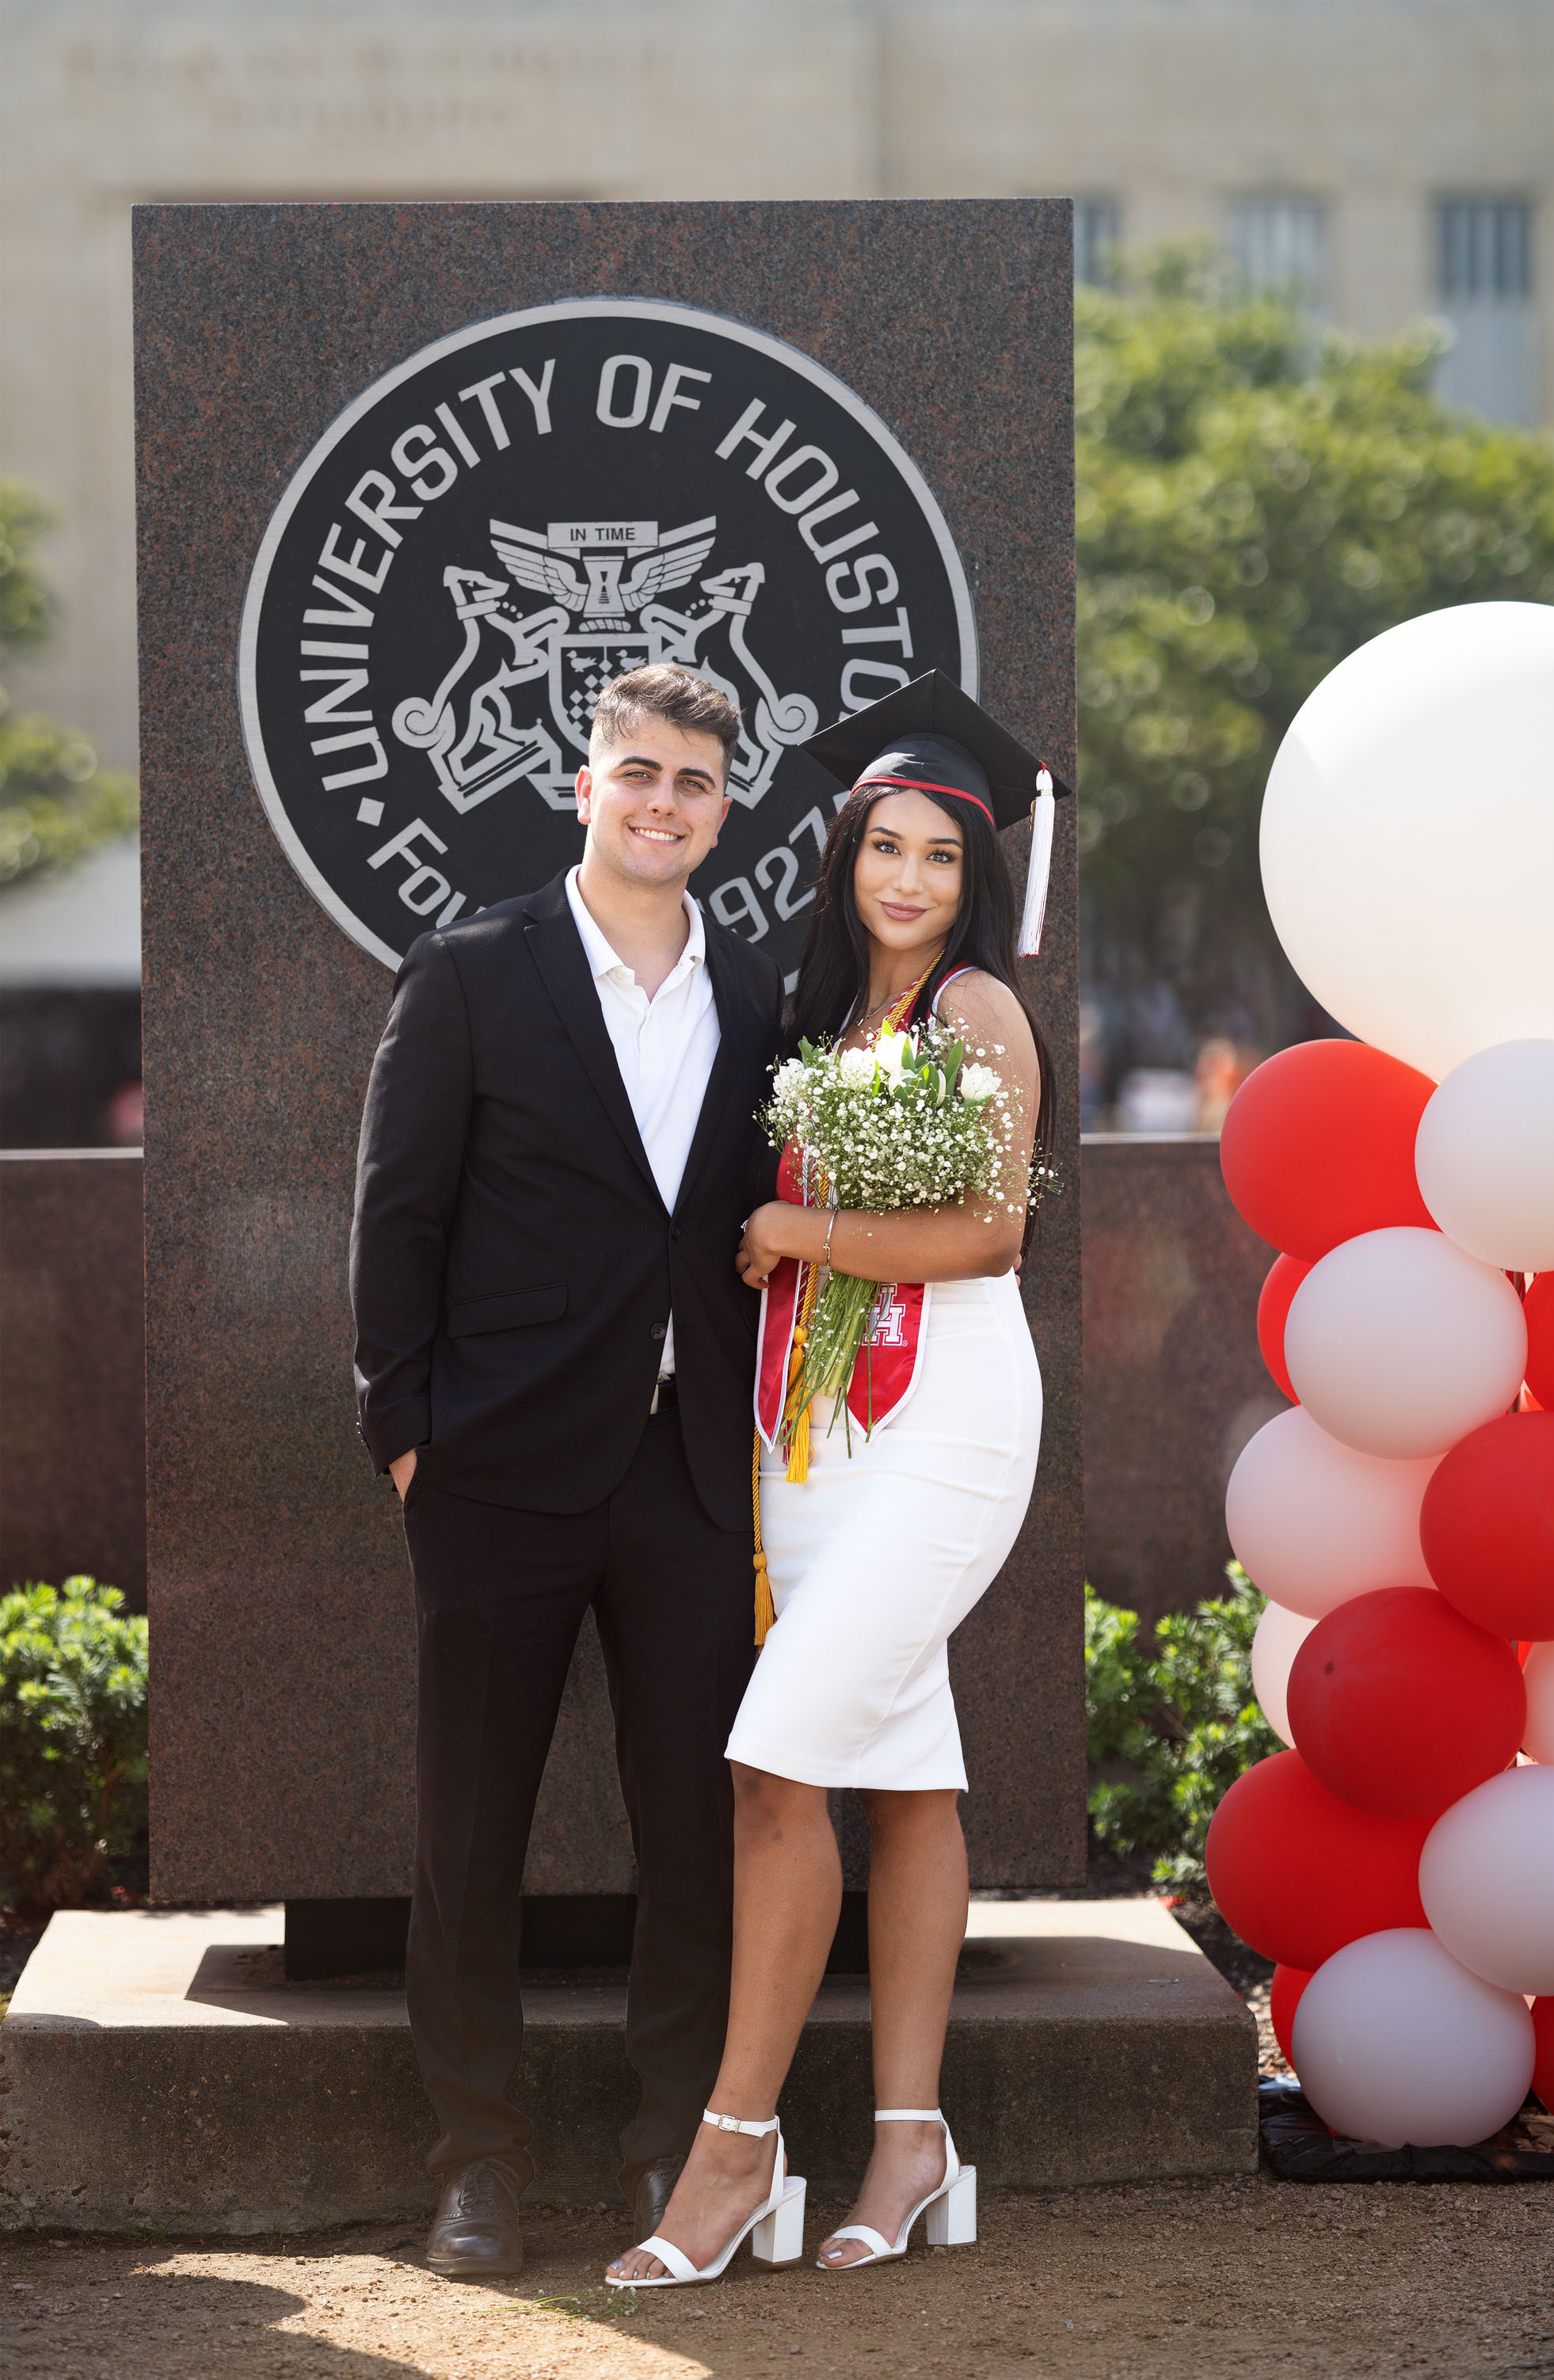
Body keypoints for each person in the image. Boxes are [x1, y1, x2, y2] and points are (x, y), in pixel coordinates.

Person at [608, 672, 1066, 2288]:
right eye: (887, 848)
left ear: (976, 879)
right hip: (816, 1436)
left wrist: (800, 1230)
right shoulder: (824, 1023)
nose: (910, 883)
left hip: (944, 1425)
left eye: (942, 858)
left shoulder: (976, 1015)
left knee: (771, 1765)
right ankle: (908, 2135)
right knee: (907, 1766)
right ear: (843, 859)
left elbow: (995, 1235)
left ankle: (731, 2150)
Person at [350, 663, 781, 2280]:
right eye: (636, 772)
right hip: (498, 1475)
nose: (661, 800)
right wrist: (407, 1435)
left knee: (696, 1830)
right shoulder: (471, 973)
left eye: (691, 781)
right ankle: (476, 2159)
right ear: (580, 784)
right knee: (472, 1831)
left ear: (722, 809)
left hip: (690, 1480)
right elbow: (397, 1216)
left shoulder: (758, 997)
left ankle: (670, 2142)